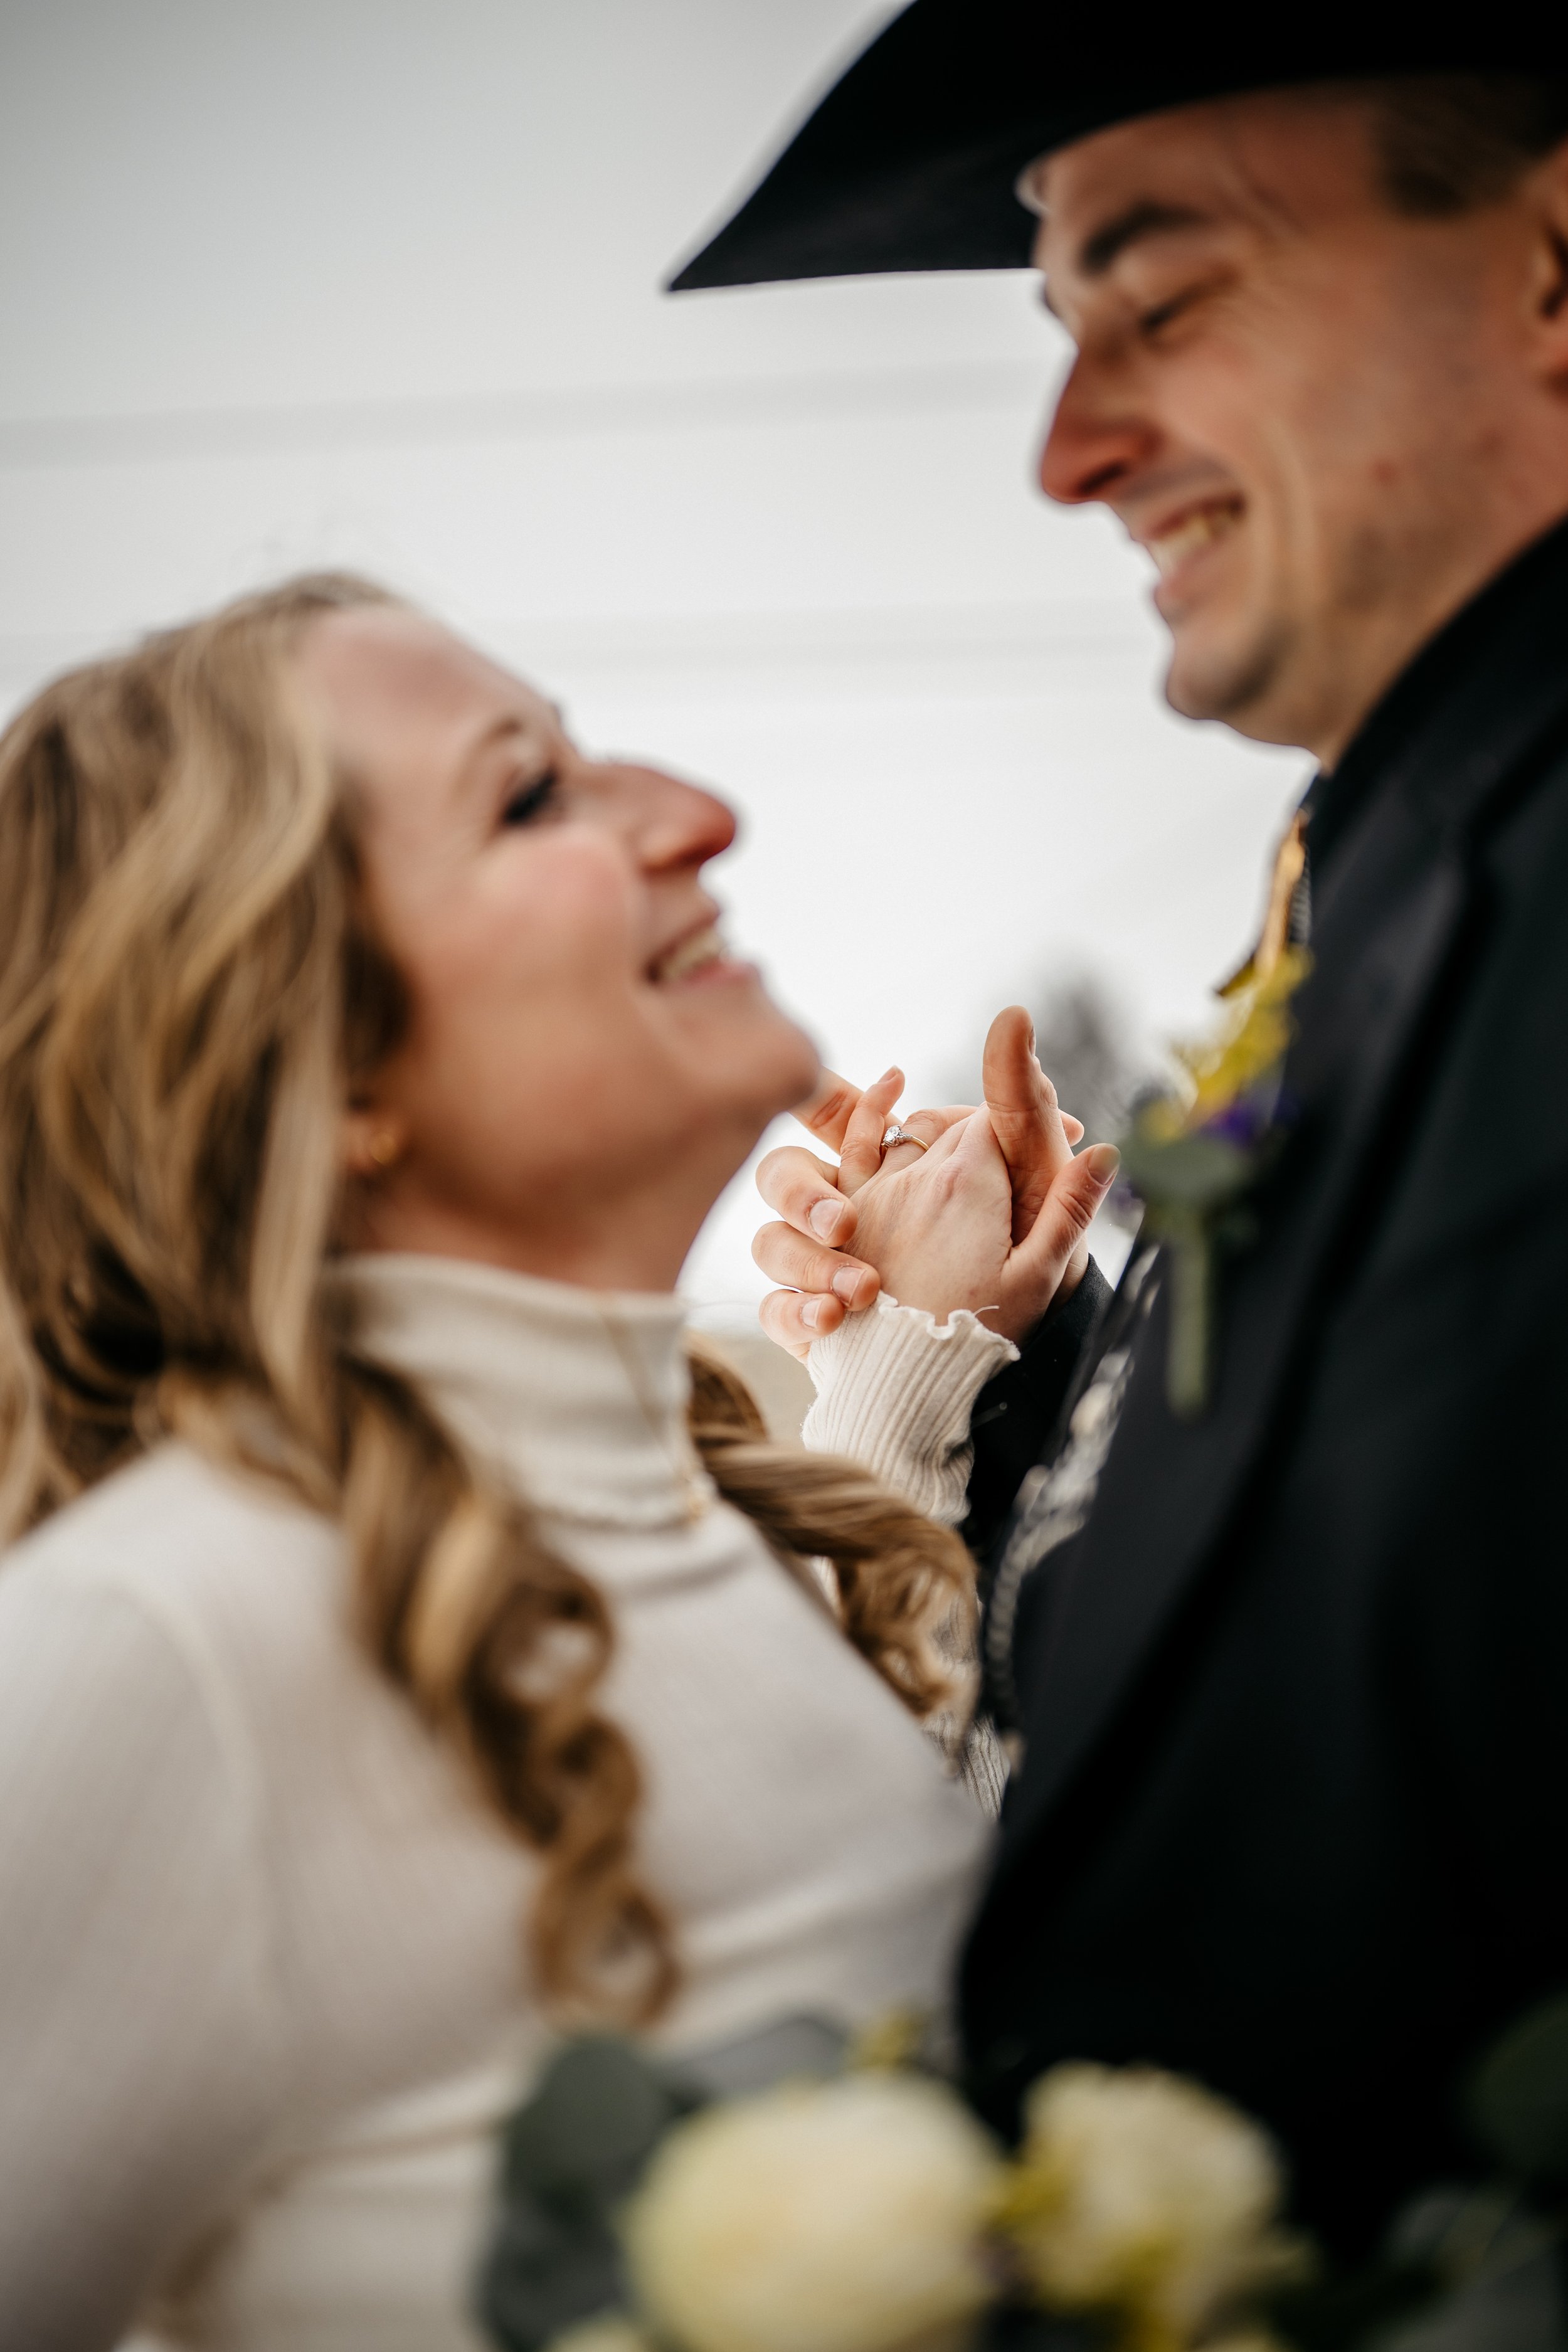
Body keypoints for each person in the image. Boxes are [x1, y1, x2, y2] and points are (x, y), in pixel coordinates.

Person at [681, 8, 1568, 2259]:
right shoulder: (1384, 880)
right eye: (1057, 329)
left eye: (1159, 300)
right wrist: (995, 1381)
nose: (1067, 453)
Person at [0, 576, 1111, 2351]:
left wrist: (919, 1355)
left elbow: (799, 1886)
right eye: (530, 795)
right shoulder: (154, 1652)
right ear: (324, 1054)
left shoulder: (663, 1518)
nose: (695, 813)